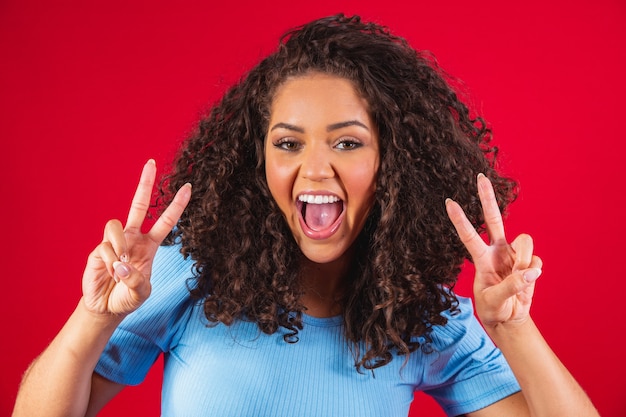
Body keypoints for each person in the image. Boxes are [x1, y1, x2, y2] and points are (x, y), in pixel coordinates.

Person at [13, 14, 599, 417]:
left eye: (346, 143)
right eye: (288, 144)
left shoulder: (422, 318)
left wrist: (513, 330)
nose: (315, 169)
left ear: (392, 161)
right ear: (258, 160)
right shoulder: (188, 276)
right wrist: (92, 318)